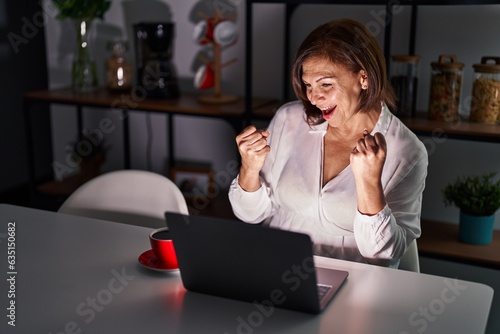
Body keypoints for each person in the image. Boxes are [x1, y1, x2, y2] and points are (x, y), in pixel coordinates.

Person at [228, 18, 428, 268]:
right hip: (278, 267)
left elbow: (384, 252)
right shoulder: (289, 119)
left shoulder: (407, 152)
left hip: (356, 285)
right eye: (308, 84)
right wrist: (249, 167)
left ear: (363, 78)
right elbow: (251, 214)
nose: (313, 97)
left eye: (326, 84)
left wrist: (368, 183)